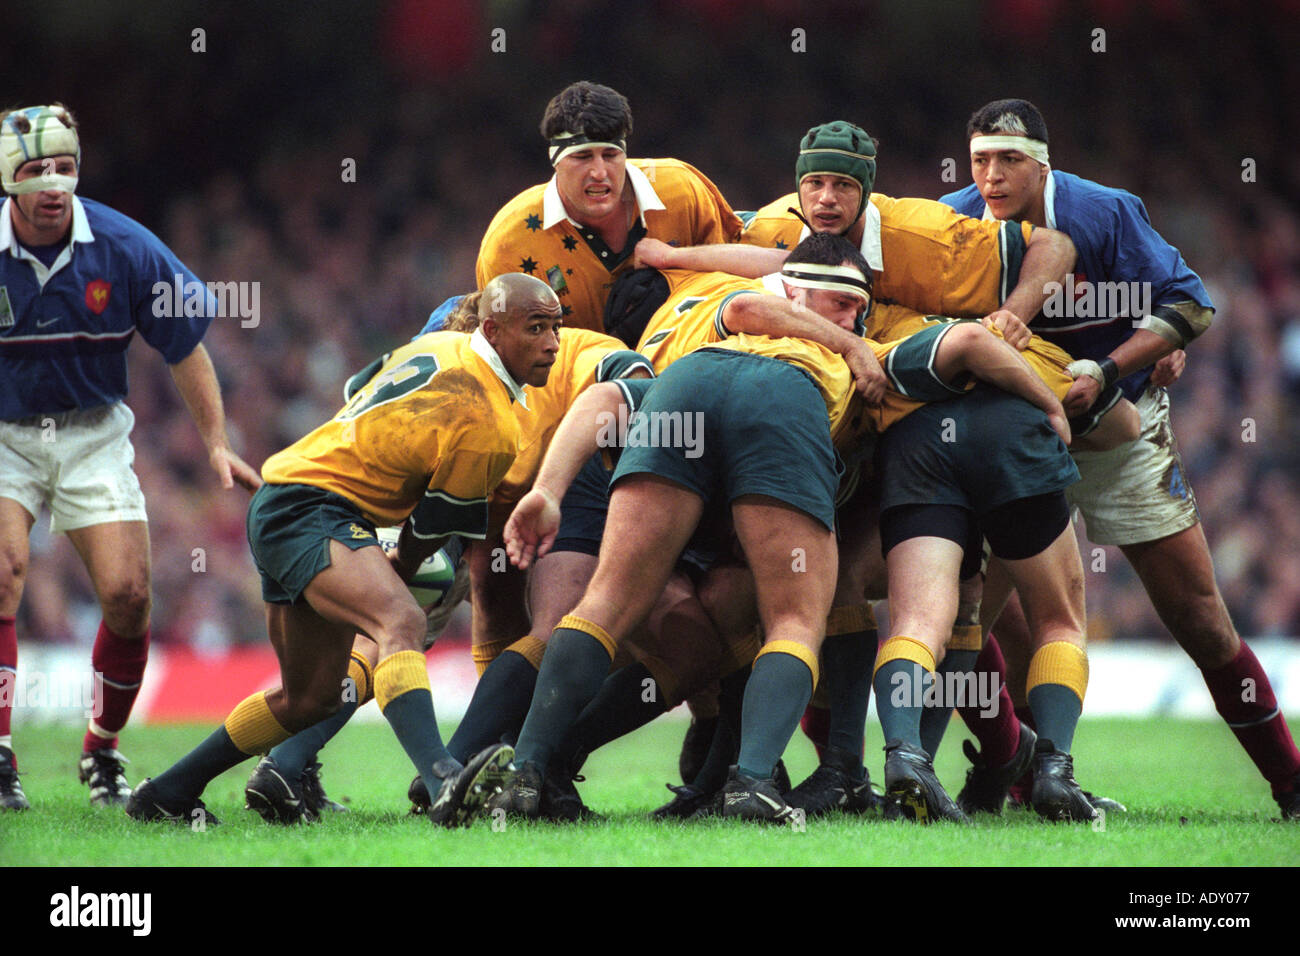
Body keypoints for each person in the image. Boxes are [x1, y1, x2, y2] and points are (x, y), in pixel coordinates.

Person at [480, 234, 1077, 823]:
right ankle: (754, 781)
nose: (854, 318)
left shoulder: (698, 331)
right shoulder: (843, 348)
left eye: (859, 309)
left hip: (683, 395)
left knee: (612, 605)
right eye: (844, 303)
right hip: (783, 407)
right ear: (793, 291)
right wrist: (1048, 402)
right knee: (796, 620)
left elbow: (610, 397)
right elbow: (964, 338)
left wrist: (547, 489)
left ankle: (531, 769)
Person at [940, 98, 1300, 820]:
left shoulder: (1104, 212)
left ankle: (1290, 783)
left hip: (1119, 429)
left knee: (1201, 619)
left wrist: (1120, 364)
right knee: (964, 622)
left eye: (1009, 160)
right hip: (1015, 445)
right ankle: (1018, 773)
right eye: (981, 159)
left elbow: (1189, 305)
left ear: (1044, 162)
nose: (992, 175)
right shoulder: (950, 223)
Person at [125, 274, 559, 827]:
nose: (551, 343)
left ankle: (165, 792)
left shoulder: (439, 344)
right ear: (494, 331)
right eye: (536, 328)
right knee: (400, 618)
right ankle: (444, 777)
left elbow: (359, 384)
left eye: (555, 328)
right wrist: (398, 564)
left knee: (309, 699)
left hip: (285, 496)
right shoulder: (493, 422)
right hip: (316, 510)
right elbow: (432, 527)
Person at [0, 104, 260, 811]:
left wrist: (214, 442)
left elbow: (184, 347)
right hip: (4, 436)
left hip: (92, 434)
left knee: (128, 596)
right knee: (3, 574)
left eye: (64, 167)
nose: (53, 183)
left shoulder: (125, 247)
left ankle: (103, 749)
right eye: (35, 171)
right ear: (7, 179)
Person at [476, 81, 741, 332]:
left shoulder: (682, 190)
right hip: (575, 378)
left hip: (692, 357)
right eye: (582, 156)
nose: (600, 172)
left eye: (611, 155)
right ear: (555, 161)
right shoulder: (509, 242)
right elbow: (509, 351)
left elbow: (732, 285)